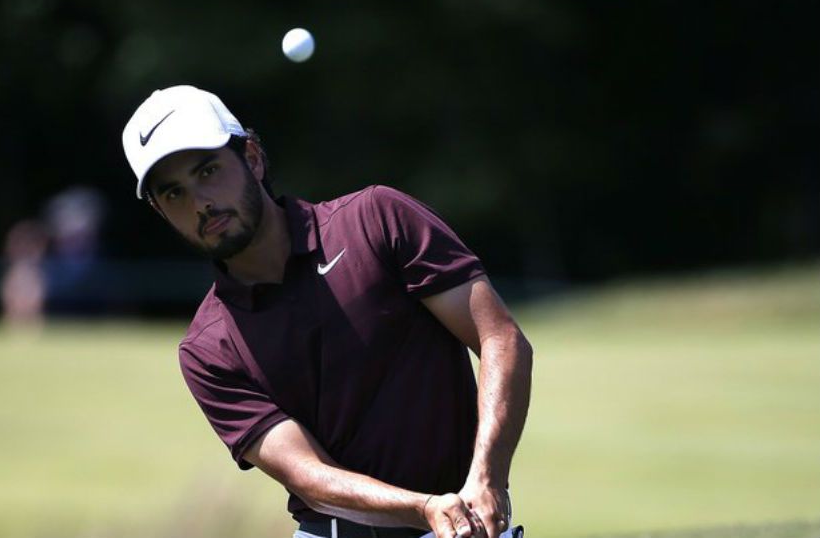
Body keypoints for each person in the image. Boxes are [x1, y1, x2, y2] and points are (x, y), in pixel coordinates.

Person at [121, 85, 533, 538]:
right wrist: (424, 508)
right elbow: (308, 476)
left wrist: (487, 477)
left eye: (209, 171)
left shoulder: (377, 219)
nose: (200, 203)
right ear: (162, 212)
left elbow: (500, 339)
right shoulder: (207, 349)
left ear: (253, 158)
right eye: (174, 194)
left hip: (466, 522)